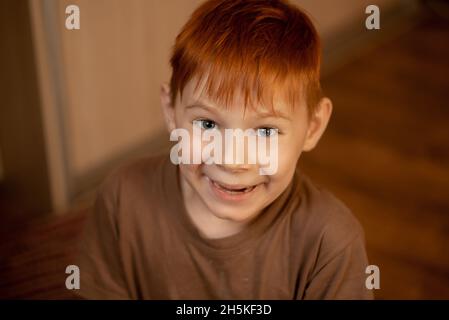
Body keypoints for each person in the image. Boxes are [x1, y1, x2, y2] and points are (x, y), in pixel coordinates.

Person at [75, 0, 373, 299]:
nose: (232, 160)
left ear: (313, 126)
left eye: (266, 131)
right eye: (206, 124)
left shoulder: (330, 243)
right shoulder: (122, 200)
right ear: (171, 111)